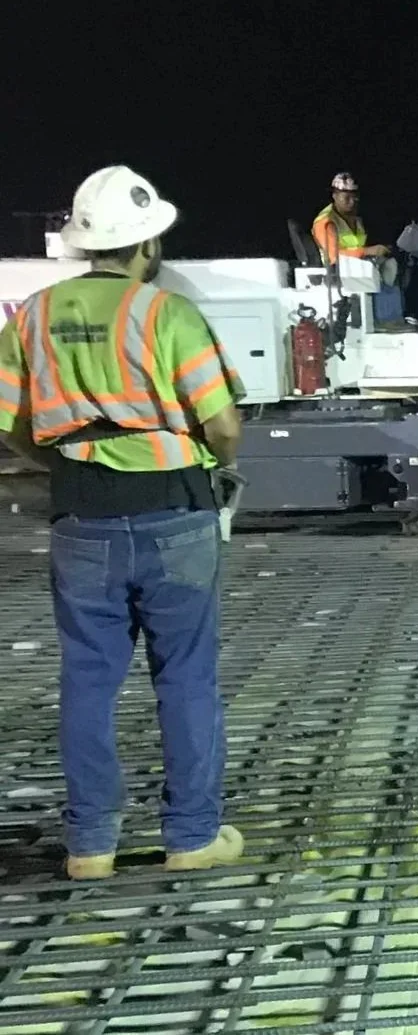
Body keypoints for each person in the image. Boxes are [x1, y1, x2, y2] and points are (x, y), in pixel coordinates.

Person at [0, 166, 246, 880]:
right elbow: (223, 423)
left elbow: (10, 423)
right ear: (148, 243)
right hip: (174, 508)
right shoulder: (167, 313)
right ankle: (192, 835)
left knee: (87, 679)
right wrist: (215, 459)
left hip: (81, 512)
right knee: (187, 679)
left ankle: (90, 846)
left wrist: (60, 461)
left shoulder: (31, 316)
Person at [311, 173, 400, 325]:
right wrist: (367, 251)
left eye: (354, 197)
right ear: (334, 195)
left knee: (391, 263)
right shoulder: (325, 222)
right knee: (384, 269)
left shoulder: (353, 217)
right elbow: (333, 256)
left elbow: (356, 245)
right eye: (346, 197)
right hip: (336, 270)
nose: (352, 202)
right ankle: (385, 319)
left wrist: (378, 251)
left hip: (354, 263)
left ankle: (391, 317)